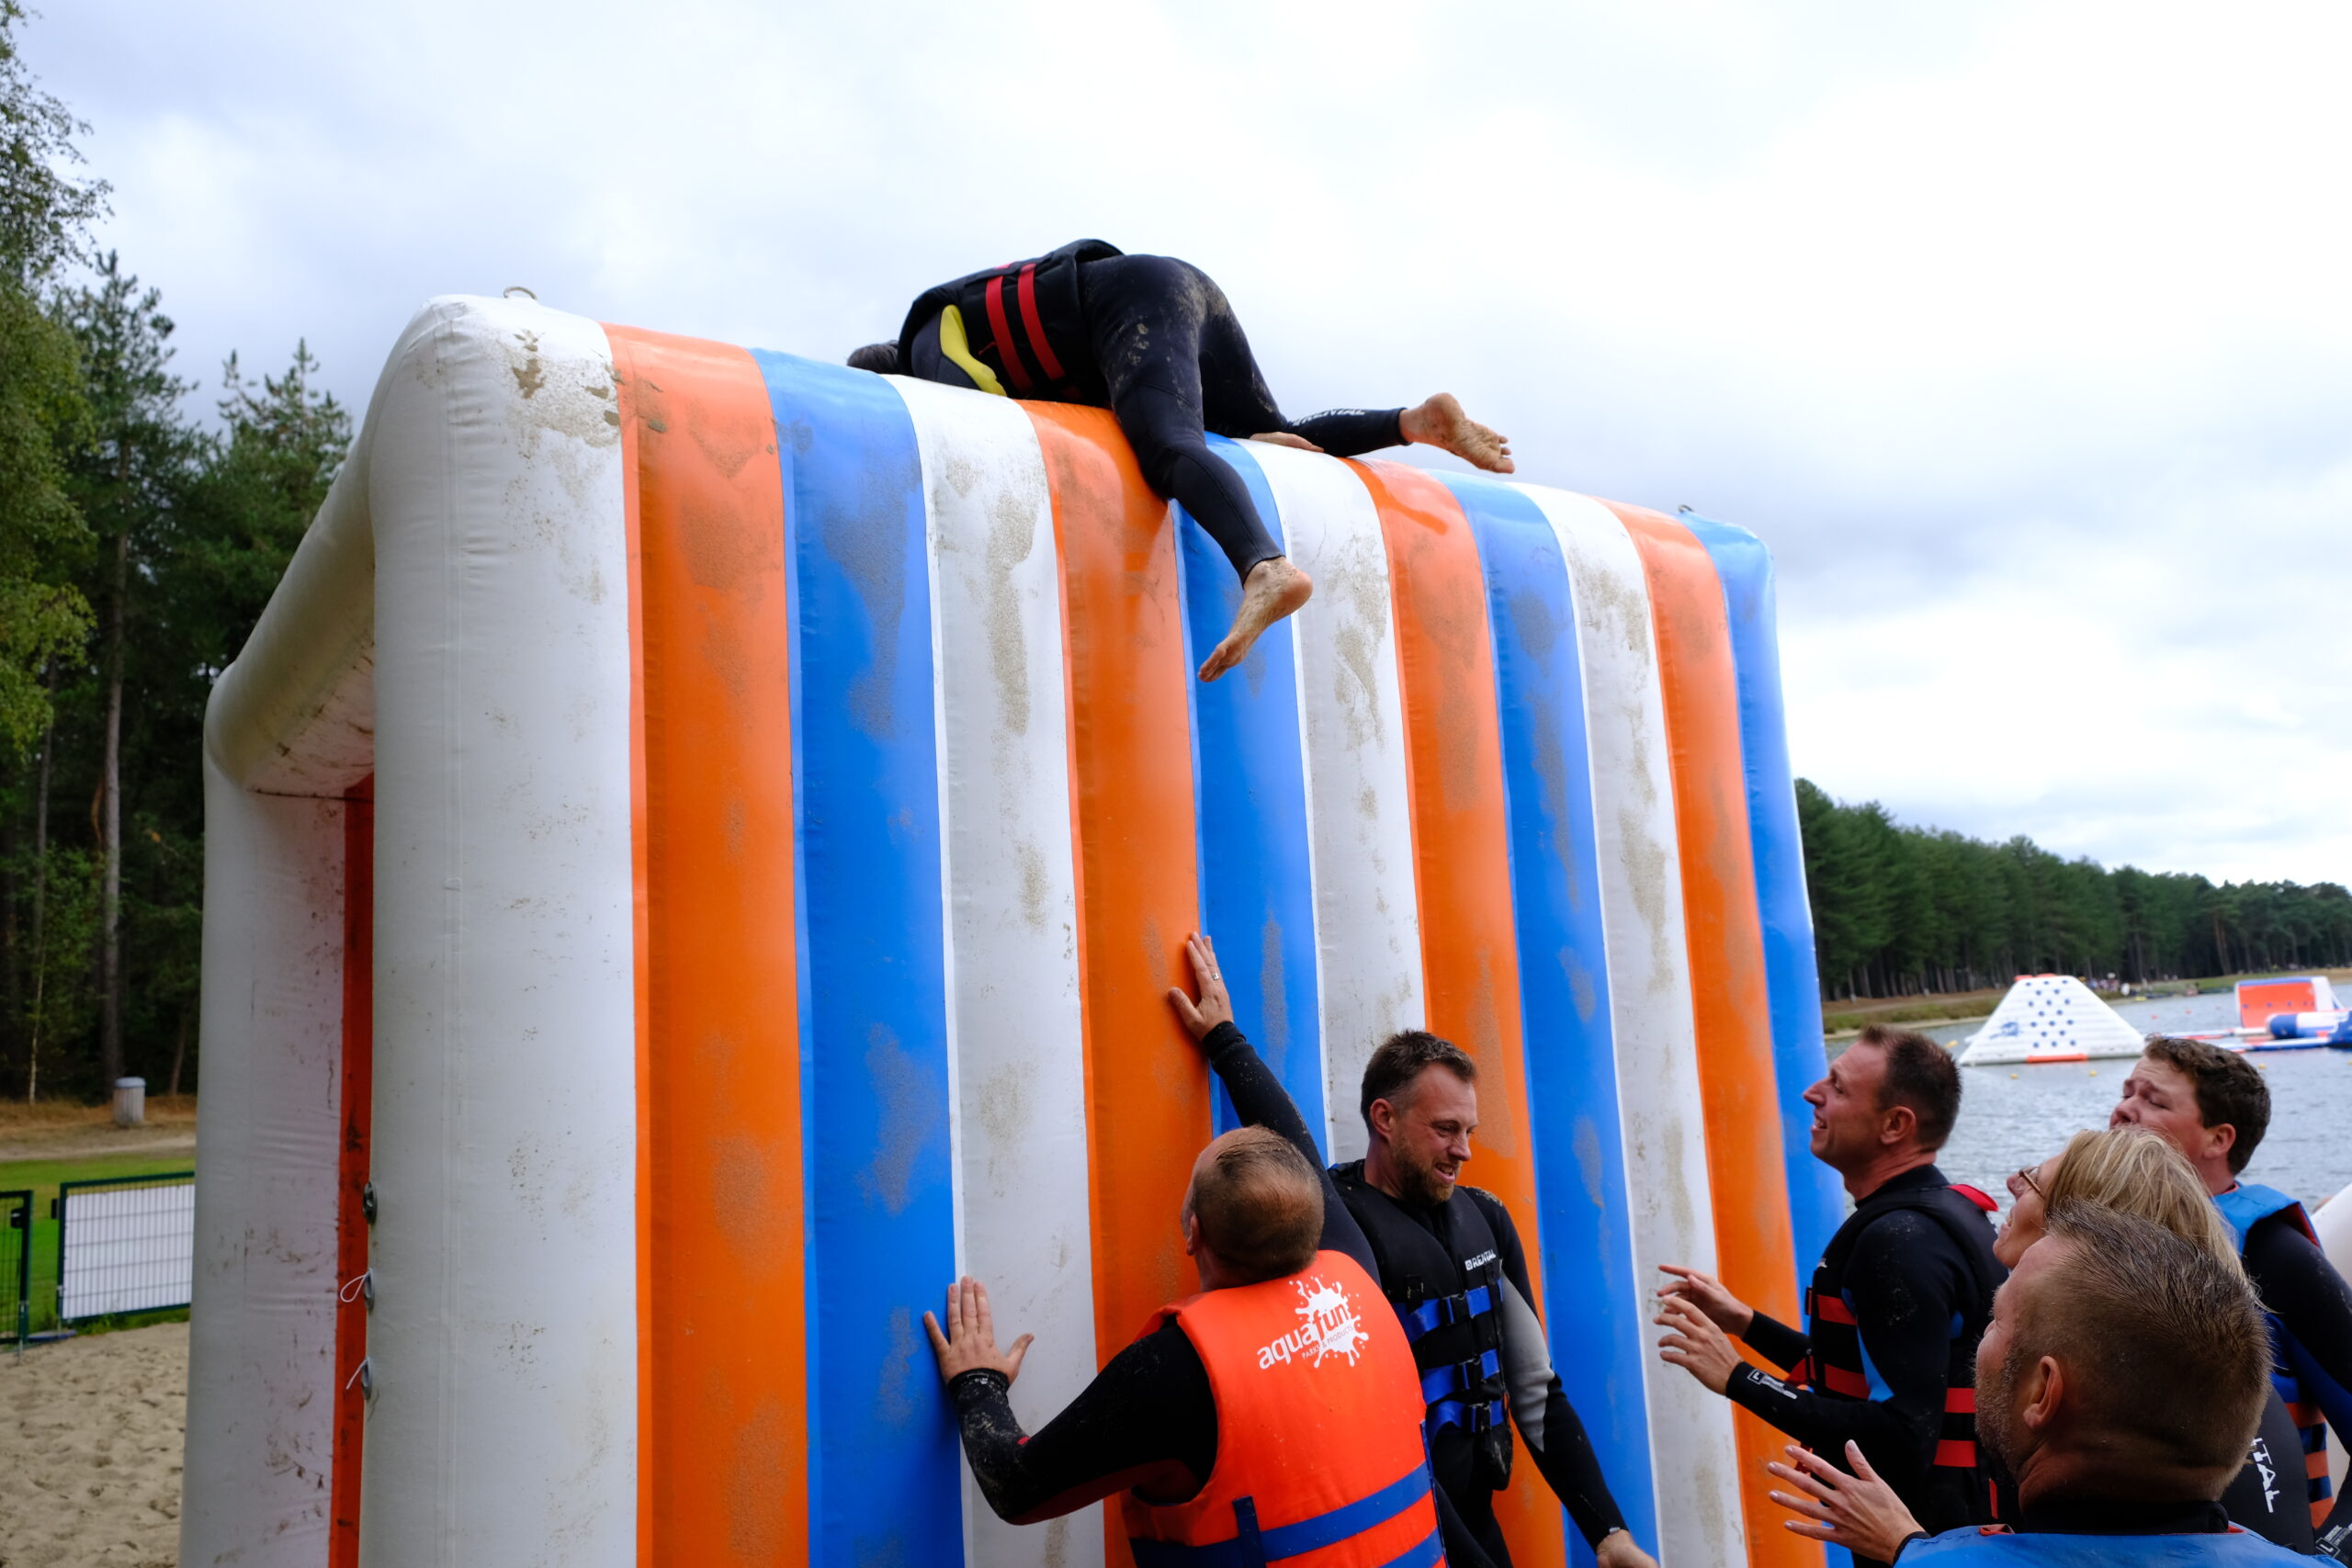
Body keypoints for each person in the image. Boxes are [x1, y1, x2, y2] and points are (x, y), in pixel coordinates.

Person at [924, 934, 1496, 1567]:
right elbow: (1295, 1143)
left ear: (1192, 1232)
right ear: (1315, 1216)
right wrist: (1224, 1037)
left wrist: (978, 1382)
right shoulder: (1356, 1276)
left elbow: (1014, 1485)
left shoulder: (1178, 1371)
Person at [1166, 941, 1657, 1568]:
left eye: (1468, 1131)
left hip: (1477, 1520)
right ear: (1385, 1119)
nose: (1464, 1150)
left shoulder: (1487, 1219)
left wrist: (1609, 1535)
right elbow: (1290, 1140)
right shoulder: (1340, 1226)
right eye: (1445, 1129)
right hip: (1399, 1534)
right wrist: (1224, 1039)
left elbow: (1538, 1393)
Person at [849, 242, 1515, 682]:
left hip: (1133, 305)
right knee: (1270, 436)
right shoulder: (963, 325)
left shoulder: (926, 341)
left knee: (1168, 449)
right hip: (1176, 289)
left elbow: (978, 420)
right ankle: (1413, 422)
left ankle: (1266, 566)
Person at [1770, 1126, 2314, 1558]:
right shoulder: (2183, 1375)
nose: (2012, 1181)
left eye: (2033, 1179)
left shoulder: (2132, 1406)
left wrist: (1909, 1552)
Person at [1653, 1025, 2005, 1568]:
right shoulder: (1935, 1213)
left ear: (1895, 1125)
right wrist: (1745, 1324)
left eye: (1838, 1087)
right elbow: (1870, 1374)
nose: (1812, 1093)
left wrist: (1737, 1378)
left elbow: (1903, 1434)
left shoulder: (1899, 1242)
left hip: (1931, 1537)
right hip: (1953, 1523)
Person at [2113, 1035, 2352, 1551]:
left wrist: (2331, 1552)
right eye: (2127, 1092)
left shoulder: (2274, 1255)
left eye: (2153, 1101)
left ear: (2218, 1139)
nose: (2124, 1109)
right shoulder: (2099, 1243)